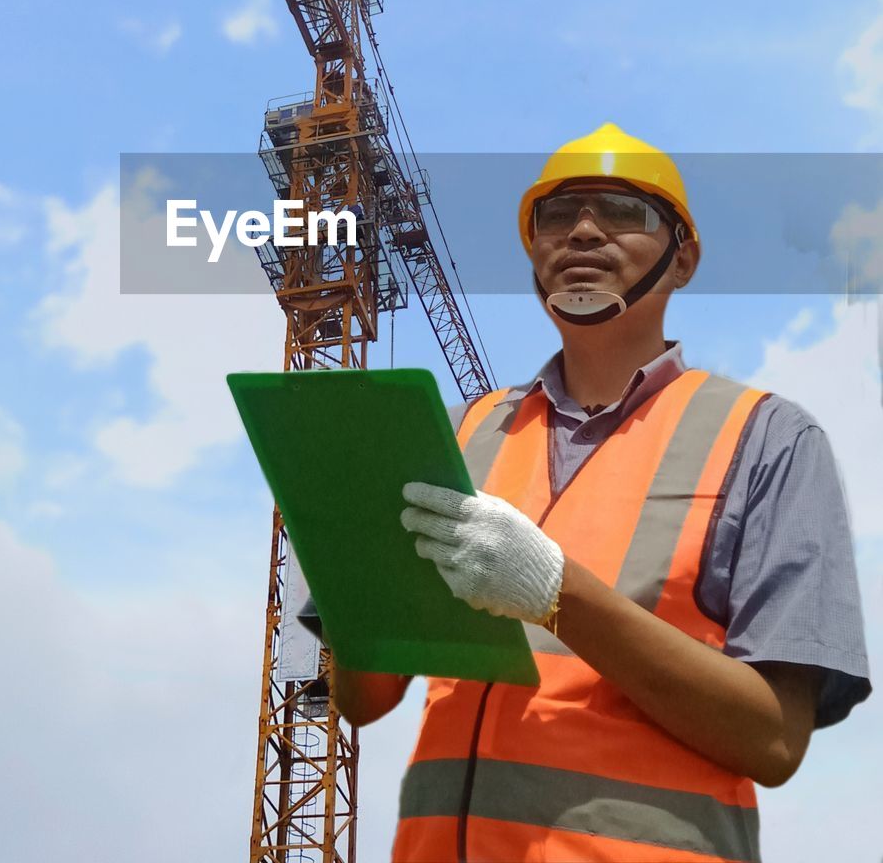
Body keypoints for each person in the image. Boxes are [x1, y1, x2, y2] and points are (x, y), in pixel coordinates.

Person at [325, 122, 872, 863]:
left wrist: (556, 592)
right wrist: (342, 545)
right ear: (532, 249)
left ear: (683, 257)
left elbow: (774, 740)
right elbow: (367, 699)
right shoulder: (461, 435)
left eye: (622, 211)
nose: (583, 231)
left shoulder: (766, 440)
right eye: (557, 214)